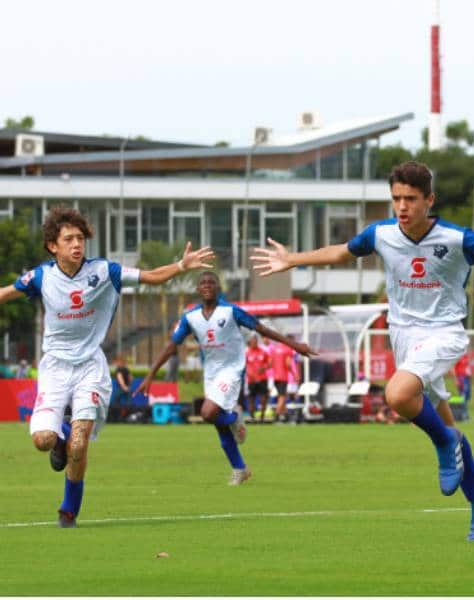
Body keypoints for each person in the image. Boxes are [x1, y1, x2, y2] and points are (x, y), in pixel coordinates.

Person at [251, 160, 474, 540]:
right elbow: (340, 253)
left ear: (429, 200)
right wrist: (292, 259)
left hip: (444, 332)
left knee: (399, 395)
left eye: (411, 199)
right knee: (444, 421)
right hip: (403, 336)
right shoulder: (381, 234)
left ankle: (447, 443)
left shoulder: (455, 238)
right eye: (397, 198)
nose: (402, 207)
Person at [0, 205, 214, 528]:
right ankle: (59, 441)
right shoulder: (41, 276)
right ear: (52, 245)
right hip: (55, 367)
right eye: (69, 239)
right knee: (43, 439)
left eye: (80, 238)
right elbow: (6, 293)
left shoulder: (103, 272)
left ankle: (68, 510)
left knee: (80, 441)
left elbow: (151, 278)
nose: (77, 244)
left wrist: (182, 265)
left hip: (90, 367)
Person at [135, 271, 315, 485]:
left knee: (207, 412)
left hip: (232, 368)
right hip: (210, 372)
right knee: (217, 423)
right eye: (203, 283)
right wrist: (150, 375)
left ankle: (234, 418)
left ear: (218, 288)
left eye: (211, 282)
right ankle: (240, 468)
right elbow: (171, 346)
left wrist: (295, 346)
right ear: (198, 289)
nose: (207, 285)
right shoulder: (190, 317)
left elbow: (263, 330)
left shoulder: (231, 311)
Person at [245, 334, 270, 420]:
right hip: (251, 380)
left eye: (256, 341)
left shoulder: (263, 352)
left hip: (262, 379)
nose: (254, 342)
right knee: (251, 398)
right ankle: (252, 416)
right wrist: (249, 372)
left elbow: (270, 363)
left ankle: (262, 416)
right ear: (250, 342)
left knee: (263, 398)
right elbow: (244, 365)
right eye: (253, 341)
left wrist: (264, 368)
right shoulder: (247, 353)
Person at [109, 355, 133, 423]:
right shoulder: (126, 369)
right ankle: (128, 417)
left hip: (121, 388)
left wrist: (124, 387)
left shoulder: (118, 370)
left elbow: (120, 379)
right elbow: (131, 378)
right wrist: (129, 386)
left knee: (114, 403)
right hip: (128, 388)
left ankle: (116, 418)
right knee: (128, 403)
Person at [453, 351, 472, 420]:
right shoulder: (458, 356)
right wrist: (456, 379)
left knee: (467, 396)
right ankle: (464, 414)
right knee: (462, 395)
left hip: (467, 377)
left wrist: (470, 378)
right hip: (461, 377)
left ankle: (465, 413)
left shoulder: (465, 356)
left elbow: (467, 367)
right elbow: (453, 368)